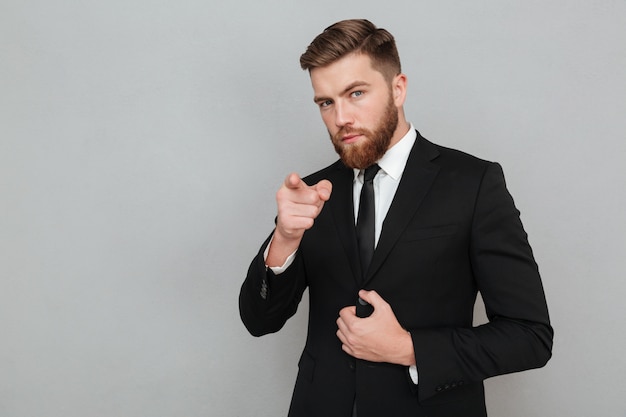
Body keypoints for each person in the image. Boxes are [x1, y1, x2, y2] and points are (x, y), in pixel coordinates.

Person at [239, 19, 553, 417]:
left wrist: (408, 348)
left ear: (398, 88)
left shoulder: (473, 184)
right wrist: (284, 239)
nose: (341, 118)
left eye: (356, 93)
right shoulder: (312, 193)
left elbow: (530, 336)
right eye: (326, 102)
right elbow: (258, 320)